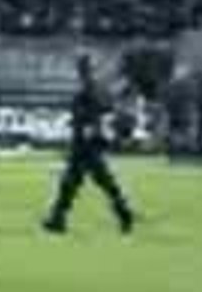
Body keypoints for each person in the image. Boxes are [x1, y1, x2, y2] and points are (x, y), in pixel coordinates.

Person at [43, 54, 135, 234]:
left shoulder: (86, 91)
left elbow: (87, 117)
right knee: (76, 184)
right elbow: (107, 111)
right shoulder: (98, 89)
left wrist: (82, 127)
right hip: (91, 142)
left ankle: (124, 213)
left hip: (84, 144)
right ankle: (57, 219)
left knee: (88, 182)